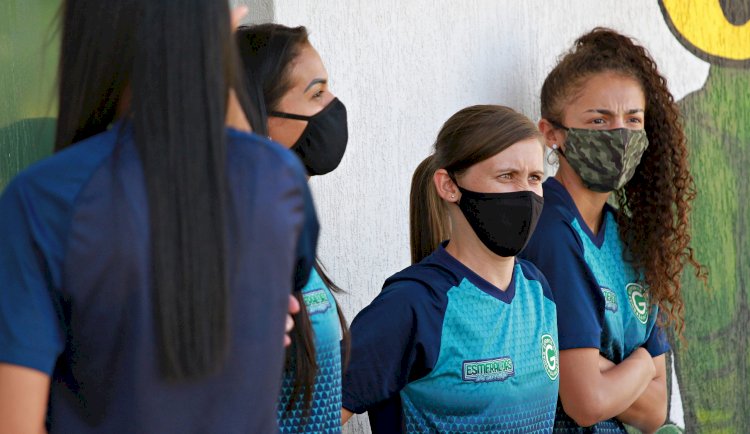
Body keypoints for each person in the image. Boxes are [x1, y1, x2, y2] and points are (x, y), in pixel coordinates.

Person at [0, 2, 318, 433]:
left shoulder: (45, 197)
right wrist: (213, 62)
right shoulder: (278, 179)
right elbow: (285, 288)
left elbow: (15, 423)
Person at [519, 27, 706, 433]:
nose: (619, 135)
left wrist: (610, 372)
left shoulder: (631, 238)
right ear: (552, 134)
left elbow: (657, 410)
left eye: (632, 119)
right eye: (599, 119)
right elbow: (587, 402)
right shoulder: (550, 230)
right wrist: (641, 363)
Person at [341, 105, 560, 433]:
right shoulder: (411, 305)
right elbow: (310, 418)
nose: (526, 193)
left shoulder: (537, 288)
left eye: (534, 178)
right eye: (506, 176)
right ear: (449, 186)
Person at [236, 24, 350, 434]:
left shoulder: (288, 229)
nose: (334, 106)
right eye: (316, 94)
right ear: (258, 116)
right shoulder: (236, 245)